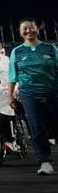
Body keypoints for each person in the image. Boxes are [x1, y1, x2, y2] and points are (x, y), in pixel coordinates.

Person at [7, 18, 58, 175]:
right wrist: (10, 96)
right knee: (35, 127)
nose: (28, 31)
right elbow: (12, 76)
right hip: (29, 94)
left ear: (38, 29)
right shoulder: (17, 51)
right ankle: (44, 161)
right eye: (24, 28)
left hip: (53, 92)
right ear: (20, 32)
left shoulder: (50, 48)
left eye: (31, 27)